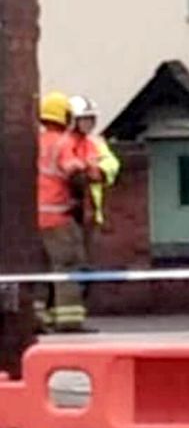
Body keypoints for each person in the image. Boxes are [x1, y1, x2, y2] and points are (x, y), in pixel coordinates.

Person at [37, 91, 100, 332]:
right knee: (69, 266)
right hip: (58, 217)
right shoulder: (63, 143)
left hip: (33, 219)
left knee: (40, 271)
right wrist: (90, 176)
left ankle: (39, 318)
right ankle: (69, 320)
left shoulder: (35, 141)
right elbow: (74, 172)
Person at [68, 95, 120, 241]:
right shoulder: (64, 143)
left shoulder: (95, 143)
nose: (89, 123)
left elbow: (112, 163)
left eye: (91, 119)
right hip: (67, 212)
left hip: (91, 212)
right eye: (85, 119)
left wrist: (100, 171)